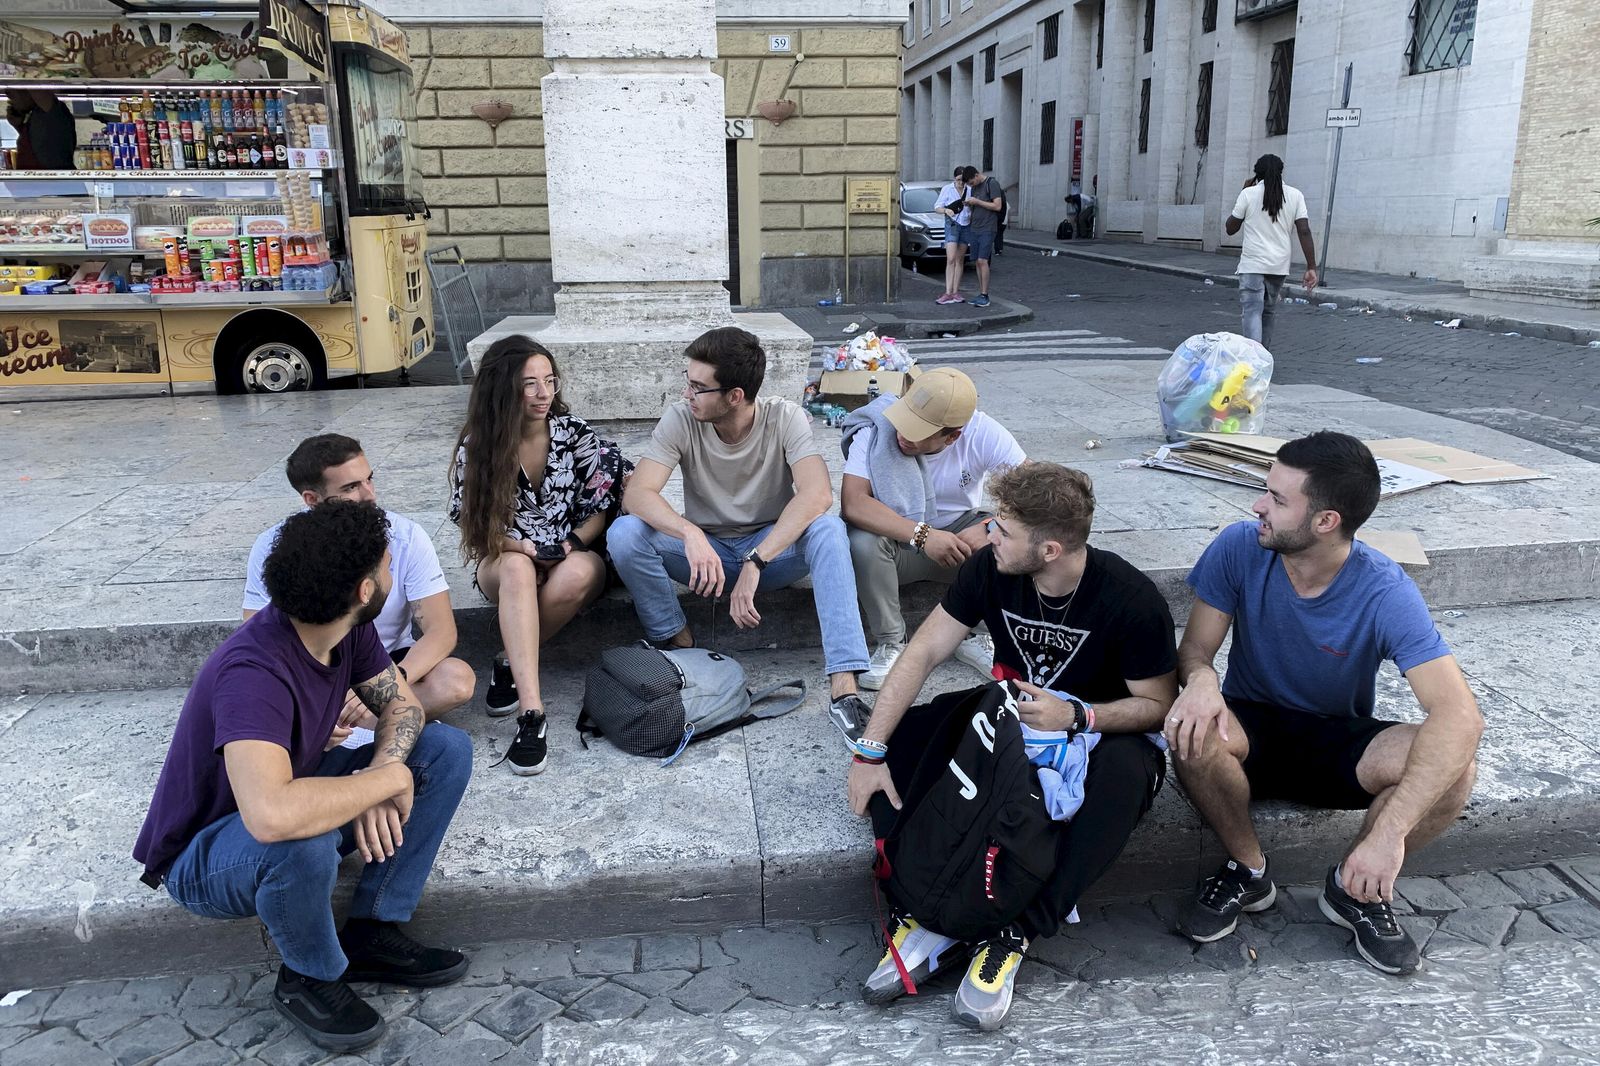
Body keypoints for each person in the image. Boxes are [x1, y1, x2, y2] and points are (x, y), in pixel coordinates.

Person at [133, 501, 474, 1053]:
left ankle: (371, 932)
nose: (394, 571)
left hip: (288, 799)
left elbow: (404, 708)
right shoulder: (253, 673)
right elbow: (271, 816)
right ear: (366, 589)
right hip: (205, 855)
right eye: (389, 564)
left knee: (444, 750)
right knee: (302, 842)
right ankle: (308, 976)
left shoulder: (343, 628)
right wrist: (380, 785)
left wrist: (386, 772)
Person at [846, 463, 1177, 1030]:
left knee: (1126, 775)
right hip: (1012, 711)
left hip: (1096, 731)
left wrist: (1077, 715)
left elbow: (1157, 705)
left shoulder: (1131, 599)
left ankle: (1013, 931)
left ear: (1048, 548)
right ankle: (927, 910)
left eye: (1001, 528)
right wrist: (870, 751)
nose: (987, 536)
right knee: (903, 738)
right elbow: (924, 651)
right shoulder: (991, 568)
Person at [1168, 432, 1483, 975]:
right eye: (1266, 490)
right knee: (1189, 729)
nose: (1257, 505)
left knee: (1454, 768)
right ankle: (1248, 869)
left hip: (1339, 735)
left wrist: (1388, 837)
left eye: (1277, 499)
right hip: (1250, 722)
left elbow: (1460, 714)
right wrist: (1199, 680)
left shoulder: (1385, 589)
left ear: (1326, 521)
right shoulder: (1239, 546)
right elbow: (1195, 648)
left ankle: (1353, 890)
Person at [609, 325, 874, 737]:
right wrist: (689, 533)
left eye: (698, 387)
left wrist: (756, 560)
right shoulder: (683, 418)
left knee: (827, 529)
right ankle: (679, 642)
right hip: (706, 556)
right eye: (688, 382)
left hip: (771, 553)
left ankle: (845, 689)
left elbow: (818, 494)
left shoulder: (784, 417)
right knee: (625, 533)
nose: (686, 394)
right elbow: (638, 494)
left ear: (734, 396)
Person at [449, 336, 632, 776]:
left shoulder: (573, 433)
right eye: (529, 384)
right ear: (502, 388)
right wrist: (524, 548)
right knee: (516, 568)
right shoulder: (479, 446)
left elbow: (608, 497)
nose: (543, 393)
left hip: (571, 553)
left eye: (549, 381)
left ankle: (508, 662)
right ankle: (532, 714)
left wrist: (569, 544)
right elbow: (475, 527)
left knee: (577, 573)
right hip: (506, 558)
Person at [244, 434, 475, 722]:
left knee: (456, 679)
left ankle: (341, 726)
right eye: (351, 487)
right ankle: (375, 723)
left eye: (369, 479)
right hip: (313, 670)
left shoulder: (406, 536)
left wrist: (387, 686)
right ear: (312, 499)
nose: (369, 494)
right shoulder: (274, 546)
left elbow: (442, 632)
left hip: (389, 663)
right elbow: (257, 636)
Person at [839, 366, 1025, 689]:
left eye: (919, 430)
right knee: (861, 541)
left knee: (1012, 540)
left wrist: (991, 527)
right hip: (898, 545)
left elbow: (1036, 495)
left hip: (958, 542)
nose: (903, 433)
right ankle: (892, 643)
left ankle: (978, 634)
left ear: (953, 435)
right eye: (906, 417)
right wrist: (921, 534)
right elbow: (853, 503)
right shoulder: (876, 428)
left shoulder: (983, 433)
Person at [1226, 153, 1318, 354]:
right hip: (1278, 266)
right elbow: (1304, 230)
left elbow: (1230, 228)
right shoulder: (1295, 195)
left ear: (1256, 174)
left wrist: (1243, 191)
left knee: (1251, 311)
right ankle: (1262, 358)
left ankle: (1252, 361)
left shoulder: (1248, 194)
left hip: (1252, 265)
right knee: (1268, 312)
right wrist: (1311, 267)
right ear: (1281, 172)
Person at [960, 167, 1005, 307]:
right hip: (975, 228)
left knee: (982, 260)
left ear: (977, 175)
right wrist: (969, 204)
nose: (971, 185)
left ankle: (985, 295)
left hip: (987, 228)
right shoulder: (974, 187)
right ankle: (981, 293)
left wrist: (977, 202)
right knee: (977, 262)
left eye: (972, 182)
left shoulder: (991, 184)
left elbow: (997, 206)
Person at [5, 90, 74, 170]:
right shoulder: (34, 118)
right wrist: (18, 126)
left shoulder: (52, 112)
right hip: (35, 180)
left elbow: (35, 84)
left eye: (13, 91)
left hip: (51, 180)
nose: (7, 95)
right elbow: (37, 144)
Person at [934, 165, 973, 305]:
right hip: (952, 225)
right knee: (950, 258)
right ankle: (948, 292)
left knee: (959, 259)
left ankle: (955, 292)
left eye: (963, 180)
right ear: (954, 179)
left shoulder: (970, 190)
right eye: (958, 180)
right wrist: (946, 210)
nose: (961, 183)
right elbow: (937, 207)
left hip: (966, 225)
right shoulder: (947, 189)